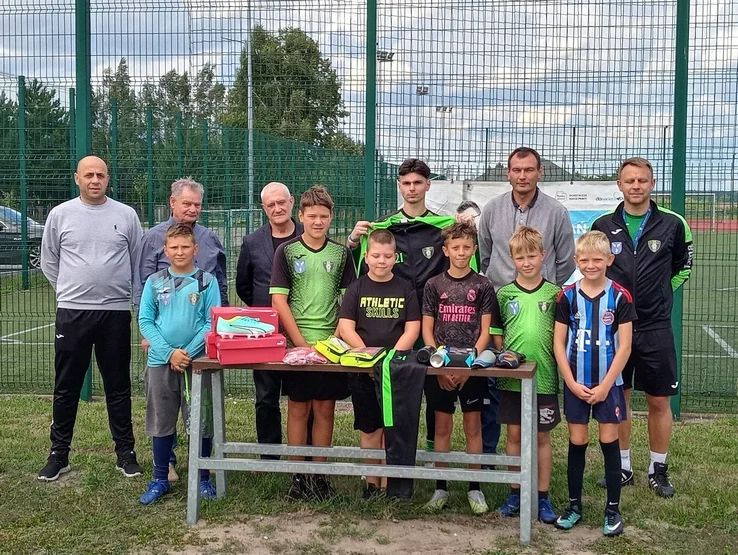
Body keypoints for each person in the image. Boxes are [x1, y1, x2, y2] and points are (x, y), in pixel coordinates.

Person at [590, 157, 693, 497]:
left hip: (655, 326)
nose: (636, 186)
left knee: (659, 400)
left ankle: (658, 468)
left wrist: (661, 295)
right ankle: (622, 467)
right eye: (630, 180)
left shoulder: (673, 224)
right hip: (615, 327)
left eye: (642, 180)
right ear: (619, 185)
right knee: (618, 398)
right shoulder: (602, 225)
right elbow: (594, 269)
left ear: (652, 184)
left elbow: (683, 266)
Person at [38, 155, 143, 481]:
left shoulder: (126, 215)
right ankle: (59, 455)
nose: (95, 180)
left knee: (118, 386)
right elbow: (49, 260)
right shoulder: (60, 215)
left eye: (100, 175)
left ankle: (125, 454)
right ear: (77, 178)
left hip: (115, 313)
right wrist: (70, 291)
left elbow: (136, 260)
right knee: (66, 386)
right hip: (73, 313)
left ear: (108, 179)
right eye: (89, 175)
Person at [477, 147, 576, 459]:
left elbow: (565, 260)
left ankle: (534, 470)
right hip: (501, 307)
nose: (523, 176)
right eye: (517, 170)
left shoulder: (556, 212)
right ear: (508, 173)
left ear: (539, 172)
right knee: (496, 384)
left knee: (537, 383)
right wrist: (506, 286)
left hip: (540, 309)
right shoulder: (491, 210)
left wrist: (543, 288)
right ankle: (490, 456)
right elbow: (485, 255)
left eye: (529, 170)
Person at [133, 177, 227, 482]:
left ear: (195, 248)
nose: (192, 209)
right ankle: (166, 467)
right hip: (161, 346)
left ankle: (202, 471)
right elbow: (143, 288)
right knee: (163, 410)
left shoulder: (209, 238)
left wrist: (210, 335)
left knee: (200, 413)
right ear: (172, 203)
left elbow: (220, 285)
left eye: (197, 204)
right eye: (187, 203)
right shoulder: (153, 238)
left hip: (199, 345)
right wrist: (153, 340)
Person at [269, 185, 356, 500]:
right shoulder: (287, 251)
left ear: (331, 217)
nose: (318, 221)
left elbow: (349, 303)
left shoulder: (341, 253)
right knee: (297, 408)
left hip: (329, 346)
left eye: (323, 216)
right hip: (297, 347)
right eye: (312, 215)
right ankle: (298, 477)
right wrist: (300, 343)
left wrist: (333, 342)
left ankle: (320, 476)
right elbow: (279, 301)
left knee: (325, 408)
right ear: (301, 215)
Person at [552, 231, 636, 537]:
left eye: (597, 259)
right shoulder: (567, 296)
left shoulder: (620, 296)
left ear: (609, 260)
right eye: (585, 260)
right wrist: (571, 382)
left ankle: (612, 510)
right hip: (577, 383)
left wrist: (606, 386)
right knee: (577, 441)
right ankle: (574, 506)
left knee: (609, 441)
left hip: (608, 385)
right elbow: (558, 343)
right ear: (576, 260)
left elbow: (624, 347)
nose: (591, 265)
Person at [337, 229, 421, 498]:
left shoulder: (405, 288)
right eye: (375, 256)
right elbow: (346, 328)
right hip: (364, 371)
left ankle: (390, 483)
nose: (381, 261)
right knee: (370, 428)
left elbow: (412, 329)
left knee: (392, 428)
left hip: (396, 372)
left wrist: (390, 362)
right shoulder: (356, 288)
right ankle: (372, 483)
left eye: (387, 256)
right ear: (366, 256)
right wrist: (369, 359)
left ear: (396, 257)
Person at [421, 221, 498, 515]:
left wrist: (469, 366)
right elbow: (427, 331)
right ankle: (440, 488)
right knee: (442, 426)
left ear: (474, 249)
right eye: (456, 247)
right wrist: (440, 365)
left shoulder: (483, 285)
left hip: (471, 370)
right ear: (446, 250)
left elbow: (486, 332)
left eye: (467, 247)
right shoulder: (433, 285)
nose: (461, 252)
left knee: (472, 426)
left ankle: (474, 487)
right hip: (441, 369)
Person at [494, 226, 562, 524]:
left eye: (532, 256)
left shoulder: (555, 294)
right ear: (512, 259)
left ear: (543, 255)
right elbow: (497, 334)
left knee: (542, 436)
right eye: (520, 257)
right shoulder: (504, 294)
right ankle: (516, 493)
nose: (526, 262)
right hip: (512, 380)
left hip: (544, 377)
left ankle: (542, 496)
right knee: (514, 434)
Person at [236, 182, 304, 459]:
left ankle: (306, 452)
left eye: (281, 202)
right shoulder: (252, 242)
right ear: (264, 208)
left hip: (304, 328)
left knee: (303, 396)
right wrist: (265, 309)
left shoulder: (308, 235)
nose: (277, 208)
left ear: (292, 202)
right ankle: (269, 453)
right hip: (264, 331)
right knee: (266, 397)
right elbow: (244, 286)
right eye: (271, 204)